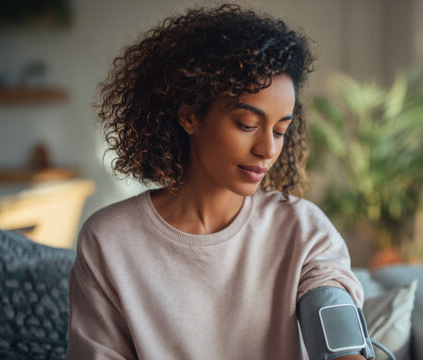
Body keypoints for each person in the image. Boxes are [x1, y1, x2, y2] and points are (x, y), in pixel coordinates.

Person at [66, 3, 373, 359]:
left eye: (281, 130)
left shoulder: (302, 229)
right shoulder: (109, 241)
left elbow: (336, 326)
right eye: (247, 125)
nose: (267, 149)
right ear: (190, 115)